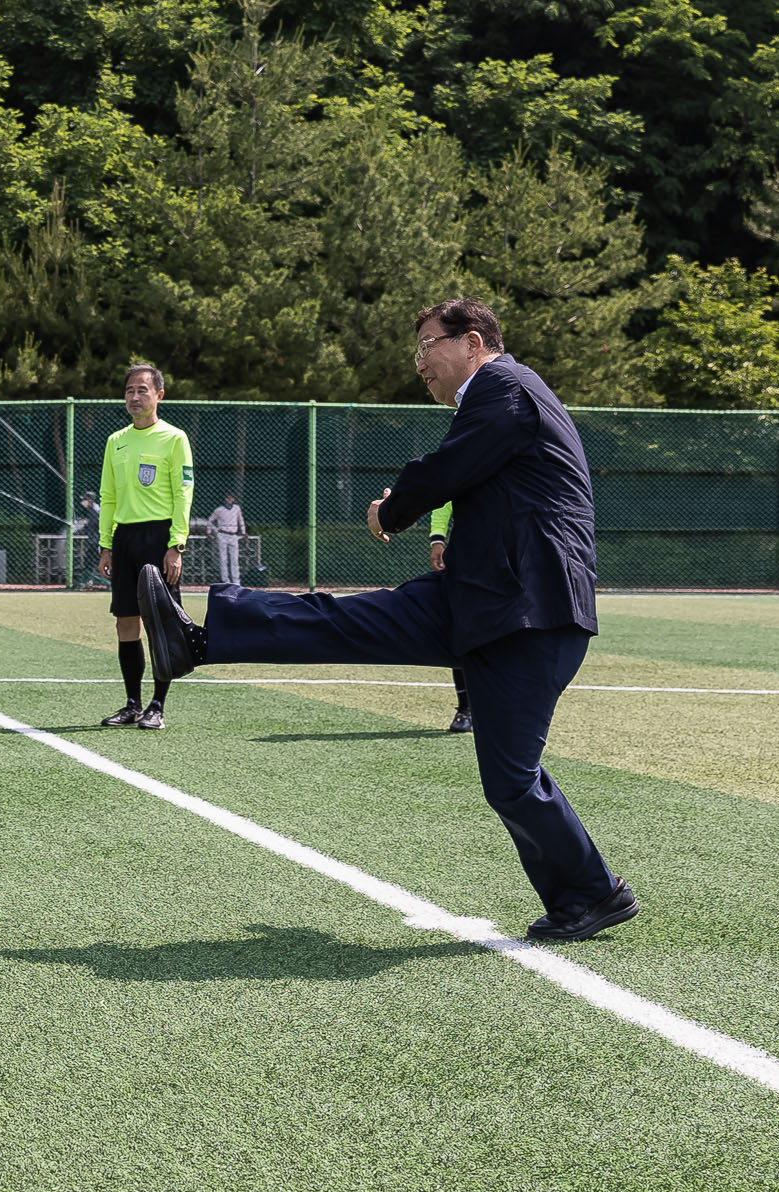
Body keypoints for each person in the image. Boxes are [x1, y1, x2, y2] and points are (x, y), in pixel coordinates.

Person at [135, 299, 635, 942]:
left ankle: (593, 894)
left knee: (510, 780)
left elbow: (451, 468)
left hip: (530, 616)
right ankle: (198, 640)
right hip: (480, 598)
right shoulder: (498, 398)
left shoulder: (507, 386)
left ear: (474, 342)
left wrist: (394, 507)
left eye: (429, 344)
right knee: (345, 619)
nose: (420, 361)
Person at [97, 364, 192, 730]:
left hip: (159, 539)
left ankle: (158, 705)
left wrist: (176, 545)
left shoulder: (174, 438)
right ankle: (132, 703)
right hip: (124, 539)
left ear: (159, 395)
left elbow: (184, 493)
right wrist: (106, 545)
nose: (135, 397)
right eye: (129, 391)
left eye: (142, 390)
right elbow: (108, 496)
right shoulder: (115, 441)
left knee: (160, 624)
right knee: (125, 622)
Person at [429, 503, 472, 734]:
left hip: (514, 554)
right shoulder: (465, 466)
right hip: (466, 556)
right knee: (461, 629)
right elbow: (444, 500)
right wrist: (437, 539)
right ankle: (466, 708)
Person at [206, 493, 247, 586]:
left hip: (233, 535)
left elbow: (241, 520)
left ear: (233, 499)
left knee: (234, 559)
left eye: (231, 498)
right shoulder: (219, 510)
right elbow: (210, 520)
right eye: (228, 498)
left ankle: (236, 581)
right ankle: (225, 580)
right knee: (223, 558)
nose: (229, 500)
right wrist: (210, 532)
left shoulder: (237, 508)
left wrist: (243, 531)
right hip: (222, 533)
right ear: (225, 499)